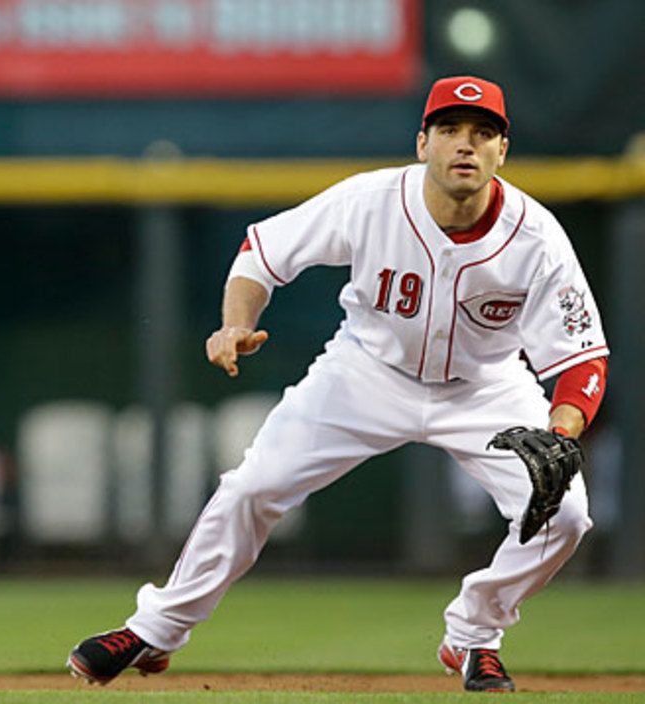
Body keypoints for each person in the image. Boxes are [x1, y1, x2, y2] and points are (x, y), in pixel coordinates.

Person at [67, 76, 609, 693]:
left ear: (501, 151)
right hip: (365, 374)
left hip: (485, 386)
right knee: (254, 486)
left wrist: (562, 431)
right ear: (422, 143)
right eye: (451, 130)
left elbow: (582, 355)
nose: (466, 144)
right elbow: (262, 251)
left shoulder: (536, 237)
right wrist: (235, 323)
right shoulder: (371, 200)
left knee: (565, 517)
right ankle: (156, 631)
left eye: (482, 133)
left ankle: (474, 636)